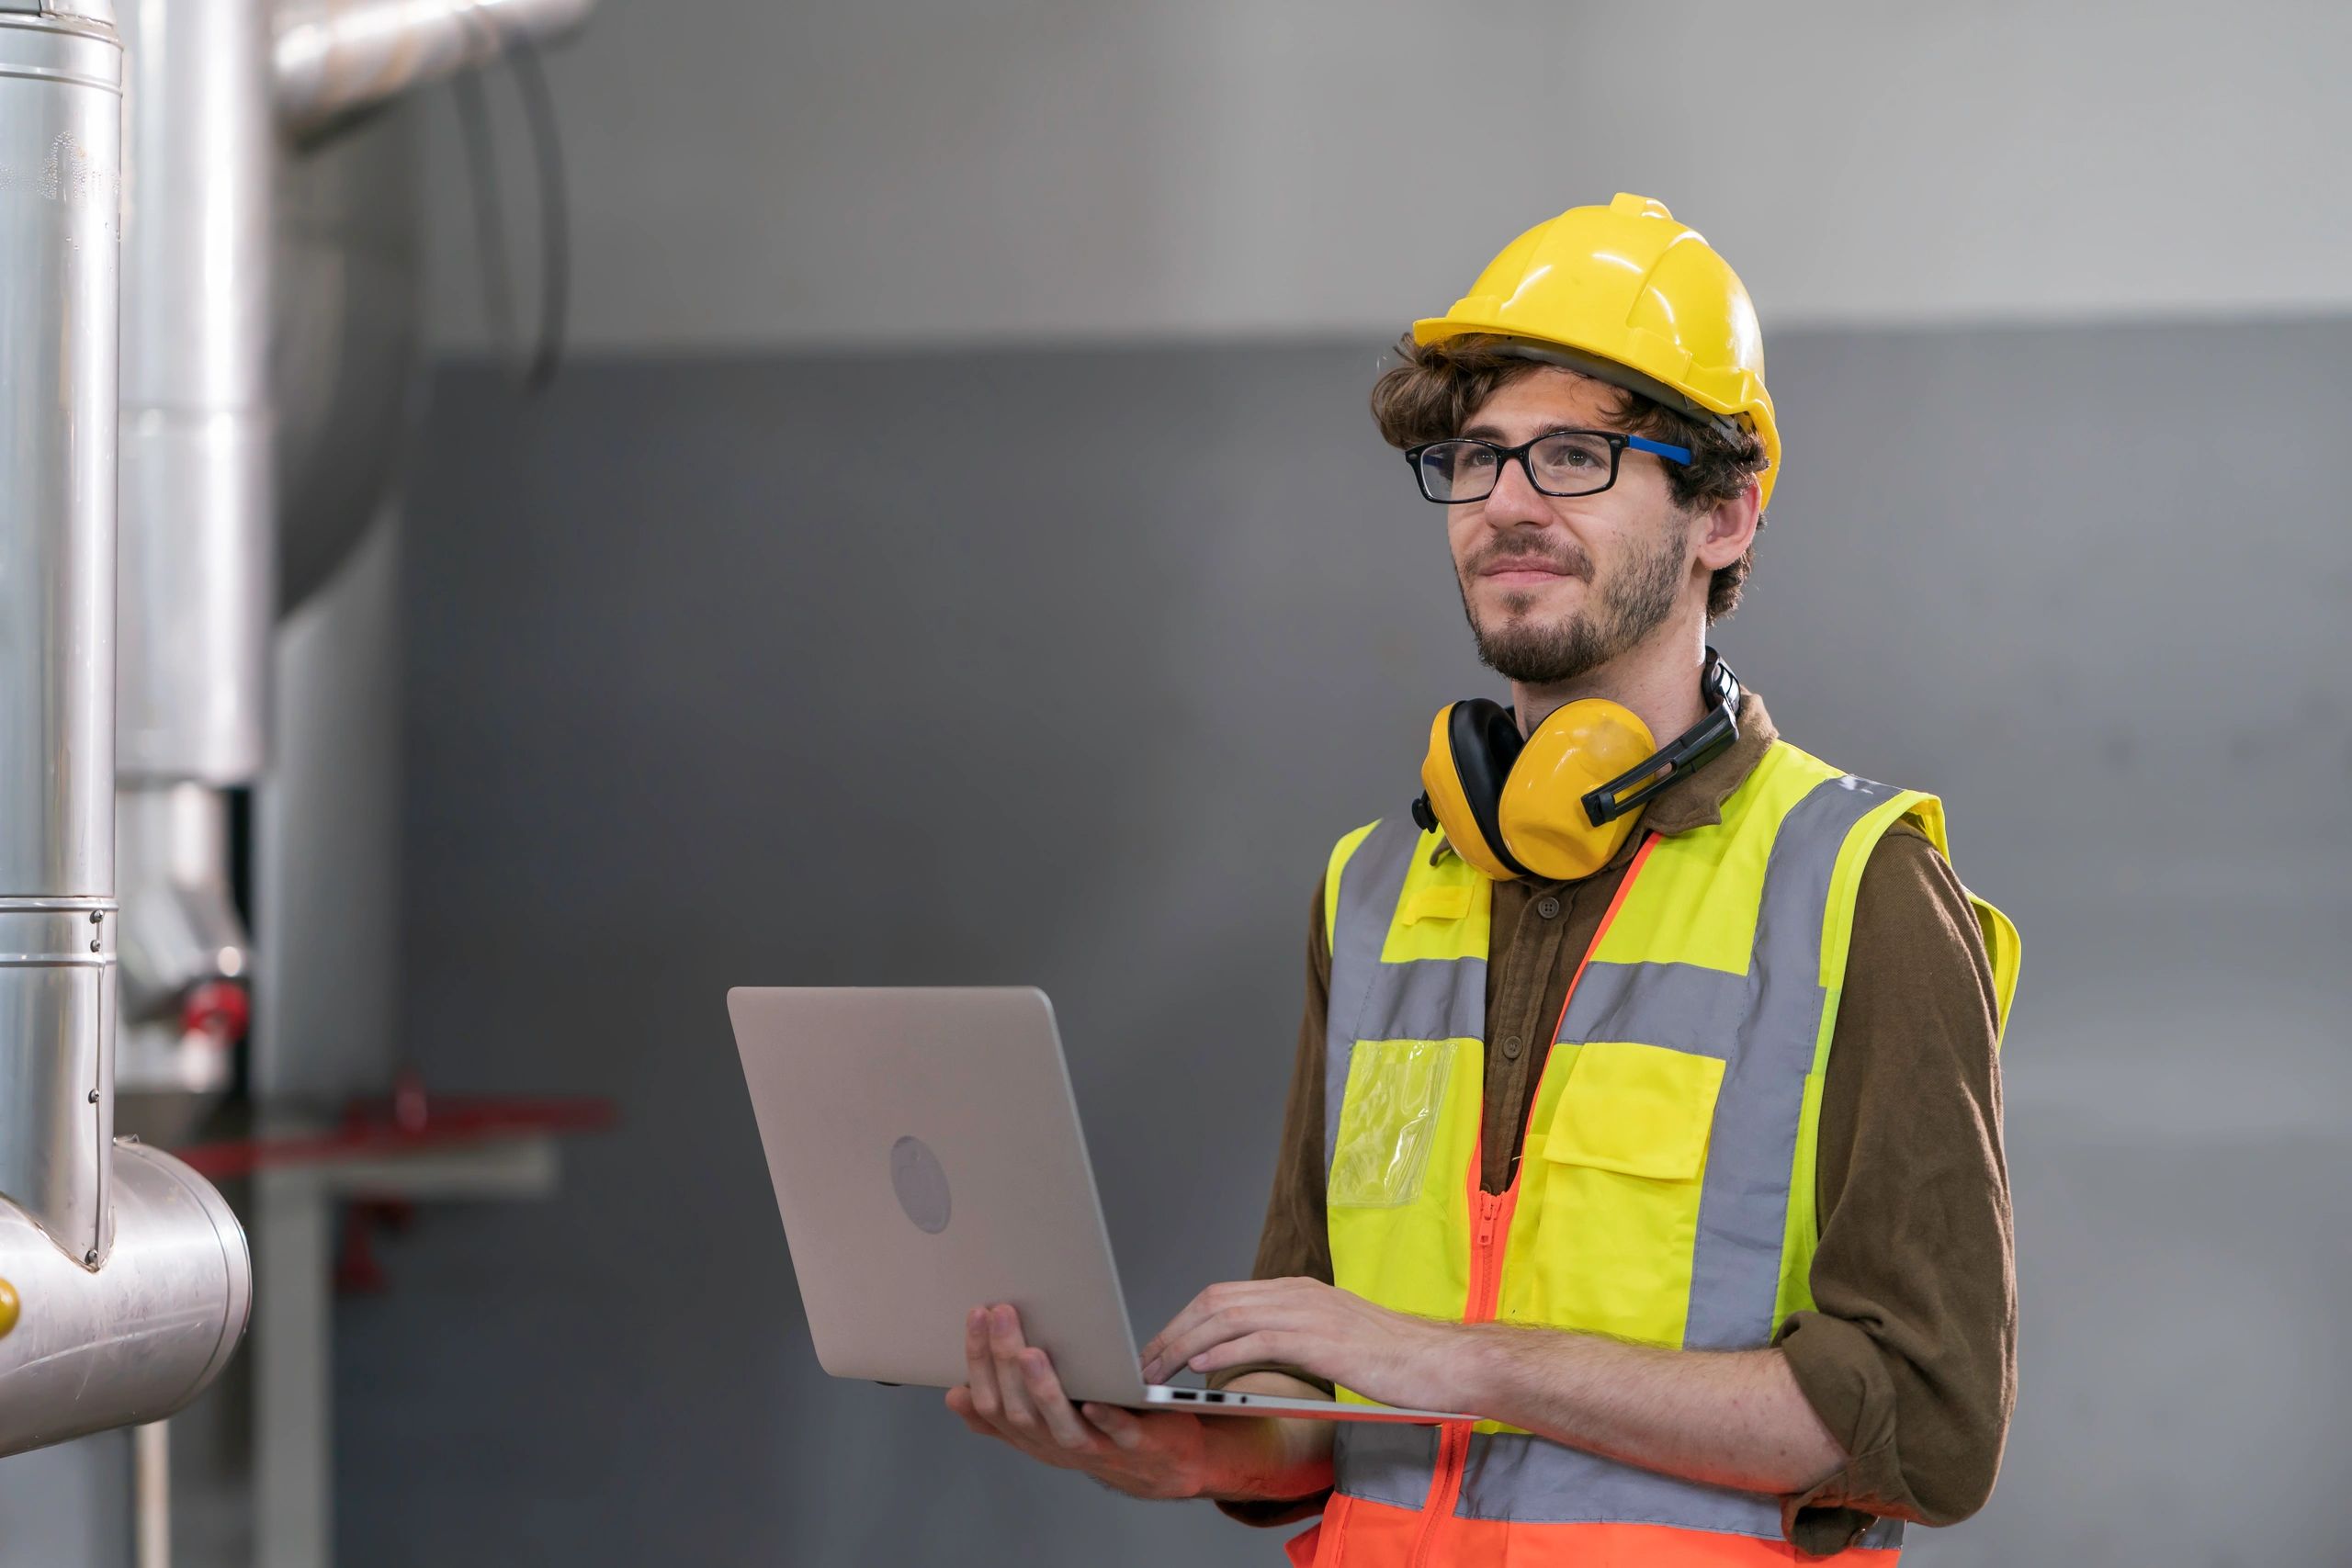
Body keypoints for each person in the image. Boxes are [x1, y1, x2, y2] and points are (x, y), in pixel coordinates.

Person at [946, 193, 2021, 1564]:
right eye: (1474, 457)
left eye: (1575, 455)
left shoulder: (1862, 886)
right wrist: (1187, 1444)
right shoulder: (1376, 890)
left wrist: (1472, 1364)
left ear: (1728, 514)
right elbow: (1317, 1352)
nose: (1506, 503)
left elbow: (1928, 1421)